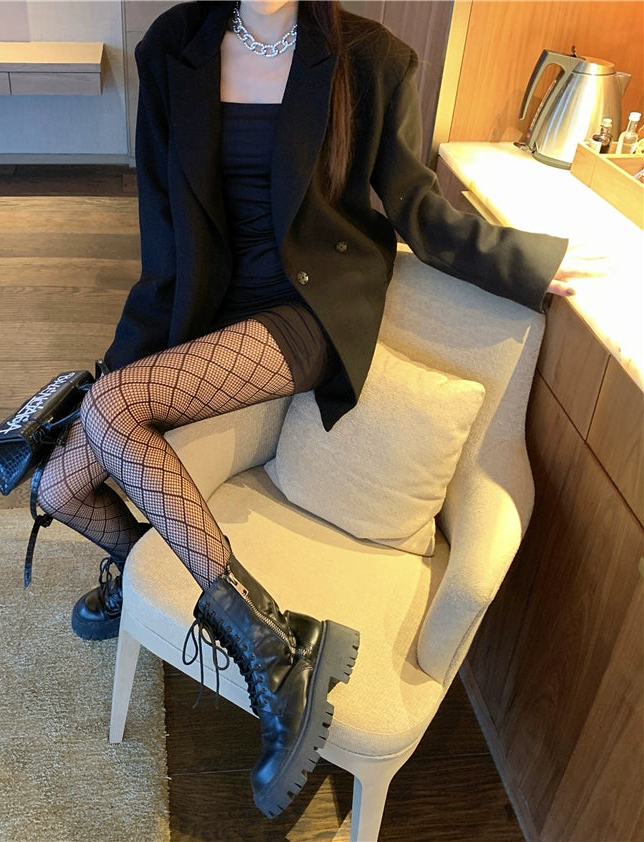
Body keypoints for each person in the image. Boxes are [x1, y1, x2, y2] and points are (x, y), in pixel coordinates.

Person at [36, 0, 585, 818]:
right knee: (56, 488)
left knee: (111, 410)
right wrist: (133, 350)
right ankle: (175, 586)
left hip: (306, 314)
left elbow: (417, 205)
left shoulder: (373, 58)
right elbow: (163, 225)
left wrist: (524, 266)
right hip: (210, 310)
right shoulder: (173, 46)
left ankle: (268, 644)